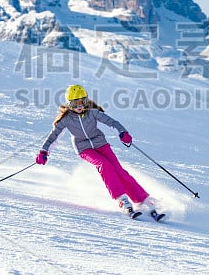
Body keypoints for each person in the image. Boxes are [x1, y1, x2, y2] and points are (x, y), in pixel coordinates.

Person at [35, 84, 164, 221]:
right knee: (104, 164)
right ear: (69, 104)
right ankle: (122, 200)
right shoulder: (66, 120)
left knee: (119, 170)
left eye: (82, 102)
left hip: (100, 143)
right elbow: (53, 136)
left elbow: (111, 122)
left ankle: (142, 198)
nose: (79, 106)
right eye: (75, 103)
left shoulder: (92, 112)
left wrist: (122, 133)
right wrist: (44, 151)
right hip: (84, 148)